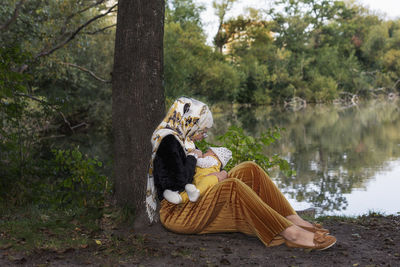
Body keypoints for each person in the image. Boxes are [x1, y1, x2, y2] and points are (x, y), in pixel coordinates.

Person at [146, 97, 336, 250]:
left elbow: (196, 174)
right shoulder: (169, 142)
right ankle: (291, 234)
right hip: (179, 212)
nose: (204, 135)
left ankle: (291, 217)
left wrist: (210, 171)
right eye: (203, 130)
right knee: (232, 187)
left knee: (249, 169)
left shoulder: (183, 138)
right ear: (191, 122)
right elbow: (177, 182)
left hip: (195, 198)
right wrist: (204, 168)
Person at [163, 146, 232, 204]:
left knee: (209, 181)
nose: (204, 153)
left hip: (207, 178)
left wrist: (195, 156)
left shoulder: (213, 160)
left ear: (214, 155)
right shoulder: (212, 159)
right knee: (191, 189)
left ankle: (185, 197)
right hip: (198, 180)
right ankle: (179, 197)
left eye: (207, 152)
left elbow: (201, 163)